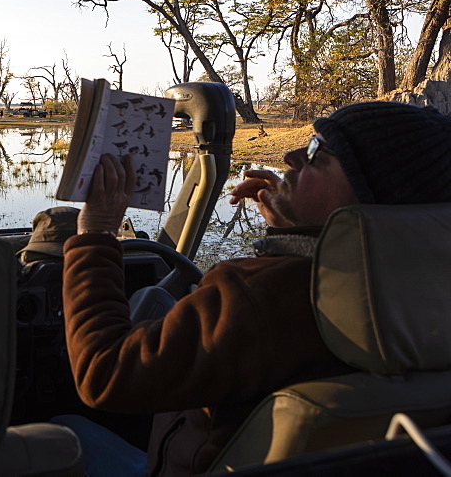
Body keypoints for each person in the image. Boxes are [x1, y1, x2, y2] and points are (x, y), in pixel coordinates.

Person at [56, 101, 451, 476]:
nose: (292, 157)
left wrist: (97, 232)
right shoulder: (422, 300)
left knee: (65, 429)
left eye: (318, 152)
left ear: (368, 194)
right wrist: (293, 233)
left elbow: (104, 373)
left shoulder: (258, 297)